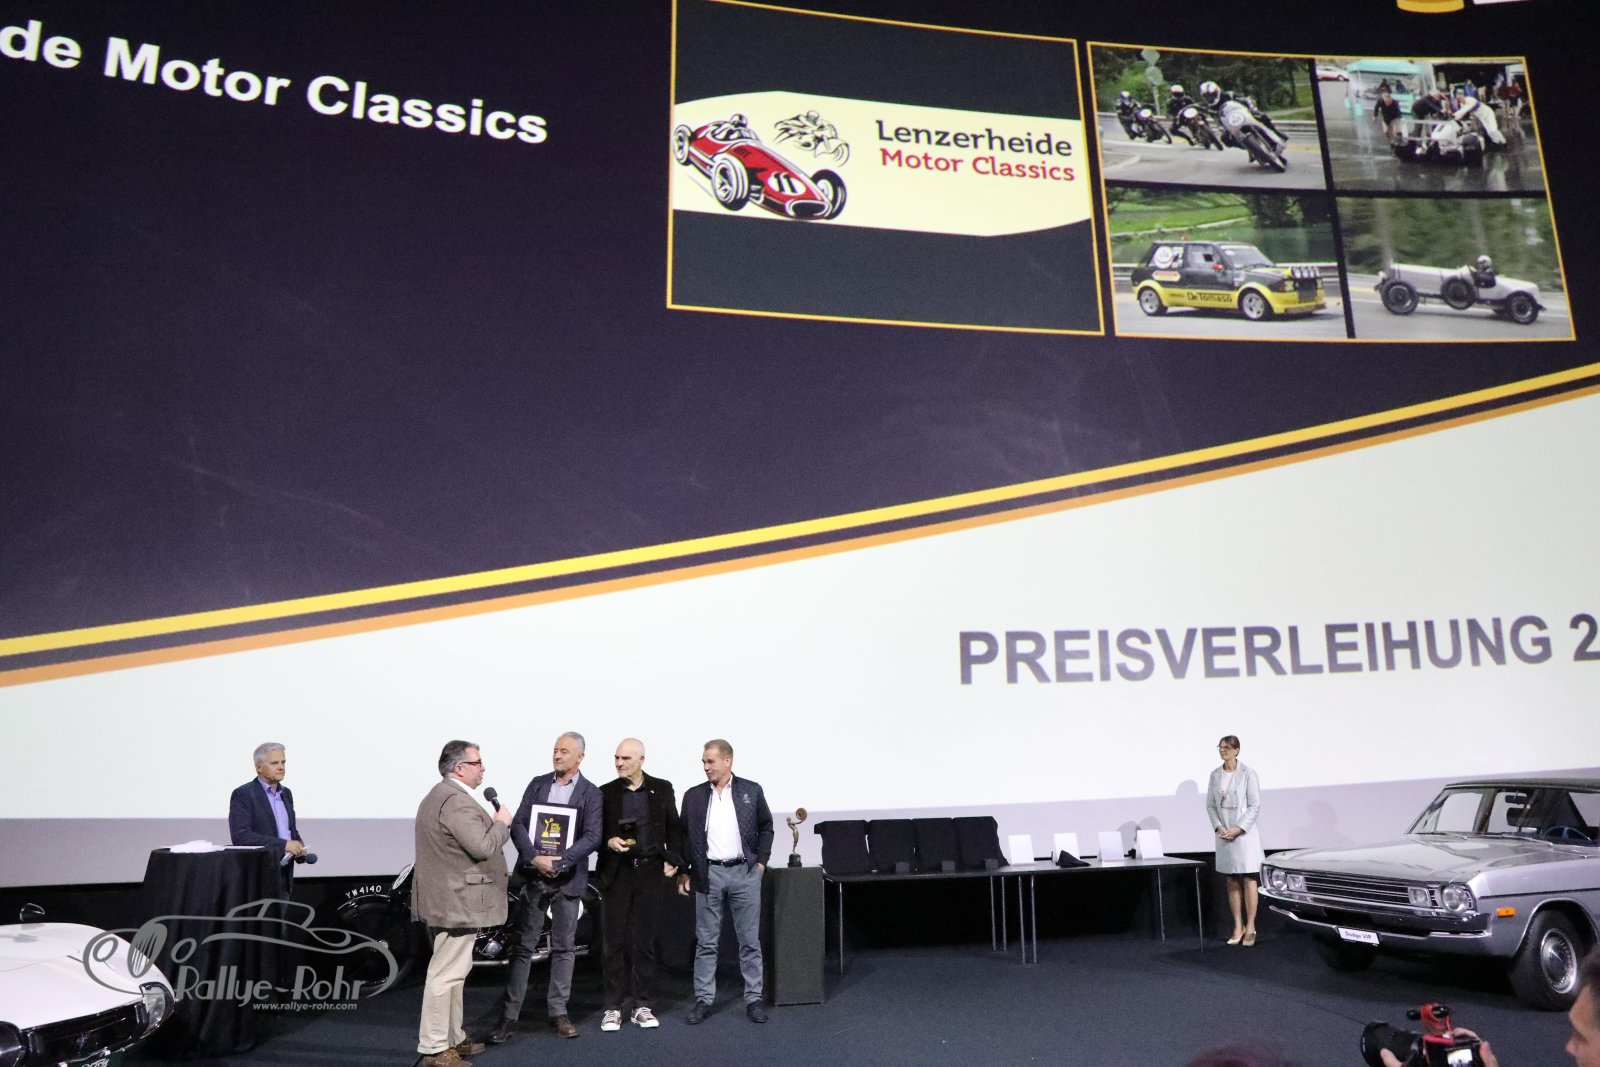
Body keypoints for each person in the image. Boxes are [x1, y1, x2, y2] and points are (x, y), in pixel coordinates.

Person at [490, 731, 602, 1043]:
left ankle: (558, 1013)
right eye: (555, 750)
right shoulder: (538, 784)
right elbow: (519, 824)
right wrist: (534, 857)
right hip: (534, 876)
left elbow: (593, 836)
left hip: (568, 880)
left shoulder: (591, 793)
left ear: (580, 757)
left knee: (564, 947)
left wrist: (561, 861)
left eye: (564, 751)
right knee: (523, 947)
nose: (557, 755)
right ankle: (509, 1016)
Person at [413, 740, 513, 1067]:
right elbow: (482, 846)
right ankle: (434, 1048)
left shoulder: (442, 795)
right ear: (459, 768)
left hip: (450, 900)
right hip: (456, 901)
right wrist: (502, 823)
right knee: (445, 976)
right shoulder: (455, 801)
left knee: (454, 974)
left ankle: (453, 1038)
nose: (483, 768)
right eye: (477, 762)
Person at [678, 738, 773, 1024]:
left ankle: (753, 998)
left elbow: (766, 827)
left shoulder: (751, 791)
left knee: (749, 942)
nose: (706, 767)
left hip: (744, 872)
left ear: (728, 760)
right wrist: (685, 870)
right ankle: (703, 999)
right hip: (709, 873)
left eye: (711, 761)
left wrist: (761, 863)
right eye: (703, 762)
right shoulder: (694, 795)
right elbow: (684, 836)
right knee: (706, 942)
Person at [596, 738, 684, 1033]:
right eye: (617, 758)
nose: (619, 763)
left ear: (641, 760)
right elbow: (593, 832)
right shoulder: (605, 792)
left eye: (625, 758)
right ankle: (612, 1007)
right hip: (617, 873)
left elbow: (674, 828)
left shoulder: (662, 788)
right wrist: (608, 841)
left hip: (650, 872)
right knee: (613, 943)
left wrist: (675, 860)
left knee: (644, 942)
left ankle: (641, 1005)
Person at [227, 742, 306, 898]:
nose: (281, 767)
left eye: (283, 762)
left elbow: (289, 829)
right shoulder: (244, 794)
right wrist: (284, 844)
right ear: (259, 768)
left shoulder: (286, 793)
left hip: (284, 876)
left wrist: (299, 845)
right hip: (258, 878)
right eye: (274, 763)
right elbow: (241, 836)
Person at [1206, 735, 1263, 946]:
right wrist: (1219, 827)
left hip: (1244, 835)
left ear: (1237, 750)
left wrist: (1238, 829)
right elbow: (1210, 805)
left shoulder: (1248, 773)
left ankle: (1251, 927)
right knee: (1231, 879)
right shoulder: (1215, 775)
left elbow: (1254, 805)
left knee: (1248, 878)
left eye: (1227, 748)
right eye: (1220, 747)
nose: (1223, 751)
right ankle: (1238, 926)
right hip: (1224, 834)